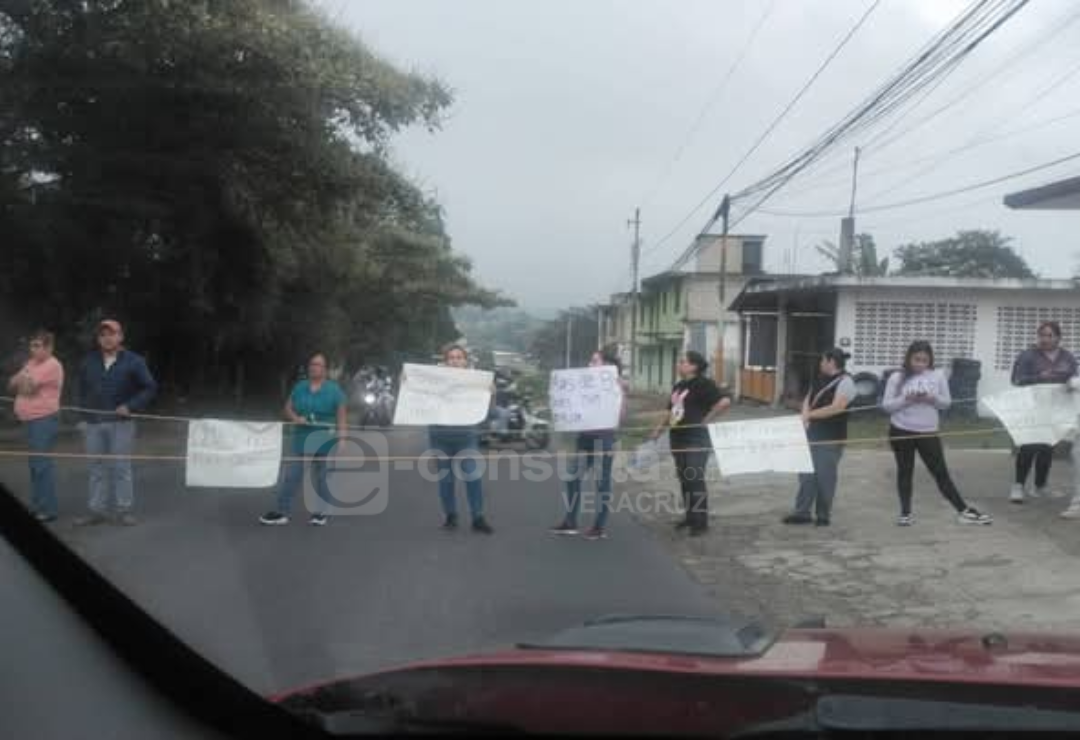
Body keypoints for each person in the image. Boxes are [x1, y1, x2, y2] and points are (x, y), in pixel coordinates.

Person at [881, 341, 992, 527]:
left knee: (940, 472)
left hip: (928, 431)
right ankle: (905, 514)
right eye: (916, 359)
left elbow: (946, 403)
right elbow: (887, 406)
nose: (920, 364)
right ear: (909, 358)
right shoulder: (897, 377)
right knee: (905, 471)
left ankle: (963, 511)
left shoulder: (937, 376)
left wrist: (932, 399)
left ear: (930, 360)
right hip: (900, 429)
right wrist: (906, 399)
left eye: (924, 360)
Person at [73, 319, 158, 527]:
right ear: (98, 338)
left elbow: (150, 387)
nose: (107, 338)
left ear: (121, 336)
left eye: (112, 333)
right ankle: (96, 511)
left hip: (122, 423)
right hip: (92, 424)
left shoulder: (134, 361)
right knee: (96, 468)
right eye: (103, 334)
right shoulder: (88, 361)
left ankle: (124, 511)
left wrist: (131, 405)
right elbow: (79, 391)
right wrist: (81, 419)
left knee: (121, 467)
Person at [648, 351, 732, 536]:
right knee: (685, 478)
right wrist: (659, 429)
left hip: (696, 437)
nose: (679, 365)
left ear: (694, 366)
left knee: (695, 478)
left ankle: (700, 523)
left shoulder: (704, 384)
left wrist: (707, 419)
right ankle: (690, 516)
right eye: (679, 362)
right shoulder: (678, 386)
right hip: (678, 436)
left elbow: (724, 402)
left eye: (682, 362)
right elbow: (670, 411)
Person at [260, 351, 347, 526]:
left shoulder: (334, 390)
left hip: (325, 440)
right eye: (312, 364)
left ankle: (320, 513)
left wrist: (343, 440)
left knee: (322, 478)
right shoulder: (300, 386)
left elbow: (342, 417)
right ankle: (281, 512)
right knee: (292, 475)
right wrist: (295, 418)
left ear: (325, 369)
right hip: (301, 439)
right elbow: (287, 408)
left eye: (318, 364)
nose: (314, 367)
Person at [550, 349, 629, 540]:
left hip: (604, 439)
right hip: (584, 438)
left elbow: (620, 418)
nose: (589, 364)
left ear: (607, 366)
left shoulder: (616, 385)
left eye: (594, 361)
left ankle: (599, 527)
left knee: (602, 484)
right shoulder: (582, 383)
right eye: (590, 361)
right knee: (572, 477)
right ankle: (570, 522)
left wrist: (621, 393)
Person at [782, 348, 855, 527]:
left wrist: (810, 415)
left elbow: (837, 407)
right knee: (806, 474)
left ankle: (823, 515)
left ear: (831, 362)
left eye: (822, 360)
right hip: (811, 433)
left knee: (825, 476)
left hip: (831, 437)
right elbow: (808, 399)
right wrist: (805, 417)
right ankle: (802, 513)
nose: (820, 364)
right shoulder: (819, 379)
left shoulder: (847, 382)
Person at [1009, 321, 1077, 503]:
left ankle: (1040, 486)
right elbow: (1016, 380)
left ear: (1058, 337)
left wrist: (1072, 385)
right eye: (1042, 335)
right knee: (1029, 447)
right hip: (1032, 409)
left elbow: (1074, 378)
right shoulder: (1027, 356)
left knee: (1047, 448)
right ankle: (1018, 486)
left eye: (1050, 335)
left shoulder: (1067, 357)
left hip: (1055, 410)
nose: (1045, 339)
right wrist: (1039, 377)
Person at [429, 344, 494, 534]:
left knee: (473, 476)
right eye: (451, 357)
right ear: (445, 361)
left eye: (459, 357)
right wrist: (407, 381)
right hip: (439, 435)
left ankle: (478, 517)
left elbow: (487, 409)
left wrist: (491, 392)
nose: (455, 360)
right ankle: (450, 516)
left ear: (465, 361)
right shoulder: (434, 380)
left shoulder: (476, 381)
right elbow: (416, 394)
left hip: (466, 436)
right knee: (445, 480)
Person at [8, 331, 64, 522]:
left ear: (49, 347)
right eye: (32, 345)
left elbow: (26, 388)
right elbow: (11, 384)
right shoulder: (31, 363)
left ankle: (49, 510)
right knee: (34, 466)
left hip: (44, 420)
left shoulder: (52, 365)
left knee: (41, 465)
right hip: (29, 419)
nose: (34, 349)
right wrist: (23, 381)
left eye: (39, 345)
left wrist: (23, 382)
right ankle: (38, 505)